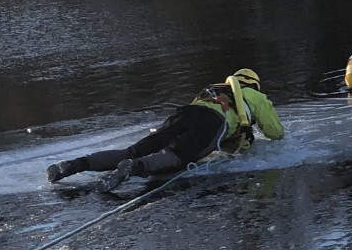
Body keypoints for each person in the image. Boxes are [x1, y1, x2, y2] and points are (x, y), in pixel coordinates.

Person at [47, 69, 284, 192]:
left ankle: (72, 165)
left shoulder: (215, 90)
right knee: (176, 157)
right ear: (253, 85)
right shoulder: (256, 97)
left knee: (134, 149)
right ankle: (136, 168)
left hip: (186, 112)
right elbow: (275, 132)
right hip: (213, 123)